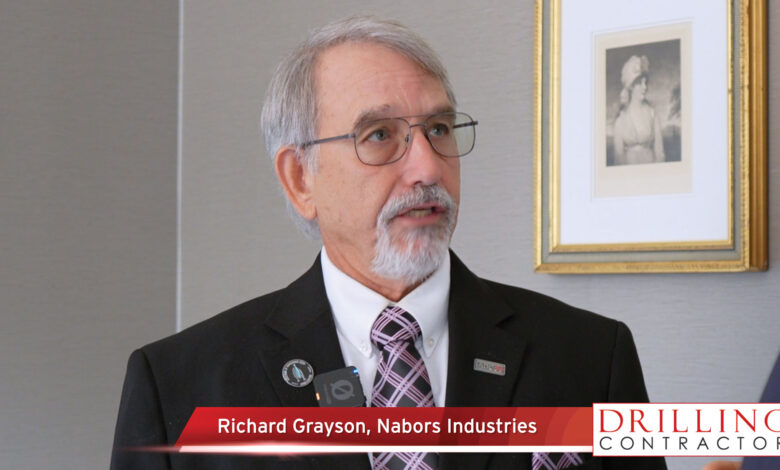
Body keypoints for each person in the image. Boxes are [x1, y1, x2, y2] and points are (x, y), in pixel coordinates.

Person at [111, 16, 666, 470]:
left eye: (439, 129)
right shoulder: (179, 387)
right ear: (301, 179)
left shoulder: (592, 357)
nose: (428, 167)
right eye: (379, 135)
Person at [612, 55, 665, 165]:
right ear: (631, 86)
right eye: (640, 83)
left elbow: (660, 154)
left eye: (646, 83)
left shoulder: (652, 114)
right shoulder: (621, 120)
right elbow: (618, 158)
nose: (645, 87)